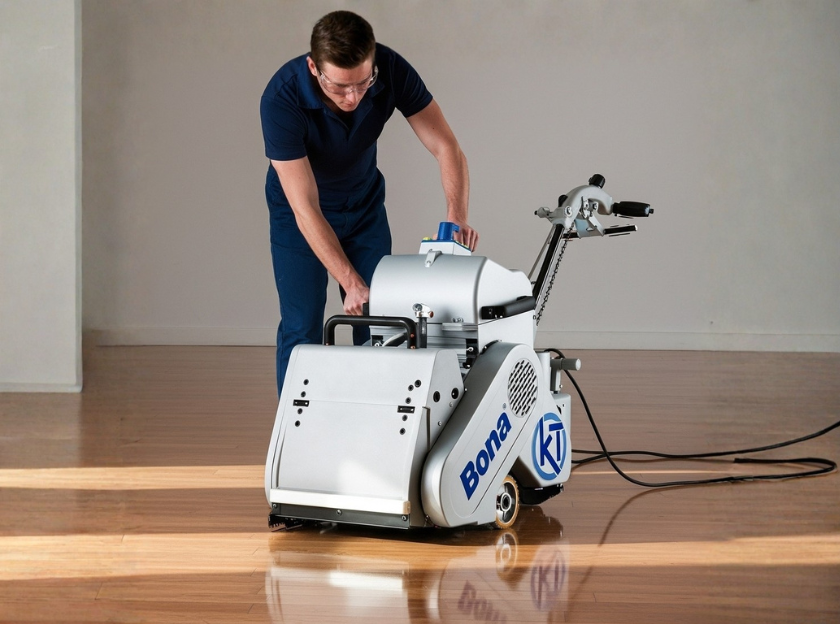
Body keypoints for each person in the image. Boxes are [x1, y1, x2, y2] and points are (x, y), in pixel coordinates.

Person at [260, 10, 478, 396]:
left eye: (363, 83)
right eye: (340, 87)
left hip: (364, 208)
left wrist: (456, 216)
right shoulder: (281, 99)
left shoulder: (390, 68)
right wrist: (350, 282)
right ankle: (298, 430)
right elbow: (305, 206)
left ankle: (376, 420)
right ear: (314, 68)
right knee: (302, 327)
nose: (353, 97)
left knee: (380, 323)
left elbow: (447, 146)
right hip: (300, 217)